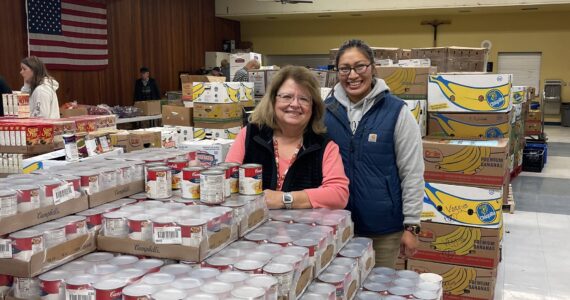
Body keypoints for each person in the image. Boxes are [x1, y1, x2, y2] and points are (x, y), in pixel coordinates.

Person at [324, 39, 424, 268]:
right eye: (344, 69)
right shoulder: (325, 112)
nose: (353, 75)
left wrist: (411, 225)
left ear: (372, 67)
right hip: (336, 227)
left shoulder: (397, 111)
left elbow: (412, 172)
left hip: (383, 231)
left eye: (360, 66)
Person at [225, 66, 349, 210]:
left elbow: (339, 195)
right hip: (252, 227)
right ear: (273, 100)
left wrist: (285, 199)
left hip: (304, 231)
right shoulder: (249, 135)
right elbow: (228, 179)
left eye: (304, 99)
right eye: (287, 97)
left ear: (313, 107)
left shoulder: (324, 145)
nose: (295, 104)